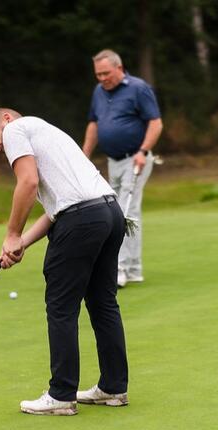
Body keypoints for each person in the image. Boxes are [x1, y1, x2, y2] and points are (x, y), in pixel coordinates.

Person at [0, 108, 129, 416]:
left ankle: (61, 394)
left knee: (61, 306)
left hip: (84, 218)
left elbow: (28, 183)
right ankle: (113, 388)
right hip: (110, 213)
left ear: (6, 119)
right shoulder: (49, 134)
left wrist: (11, 233)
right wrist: (21, 243)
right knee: (103, 303)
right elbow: (56, 209)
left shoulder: (16, 130)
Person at [81, 49, 163, 288]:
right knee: (118, 210)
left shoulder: (138, 88)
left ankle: (122, 269)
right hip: (113, 160)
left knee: (126, 212)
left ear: (119, 67)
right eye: (98, 74)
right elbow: (94, 123)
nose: (102, 78)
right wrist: (84, 153)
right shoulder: (99, 92)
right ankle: (134, 269)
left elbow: (156, 123)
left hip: (135, 159)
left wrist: (143, 151)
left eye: (106, 73)